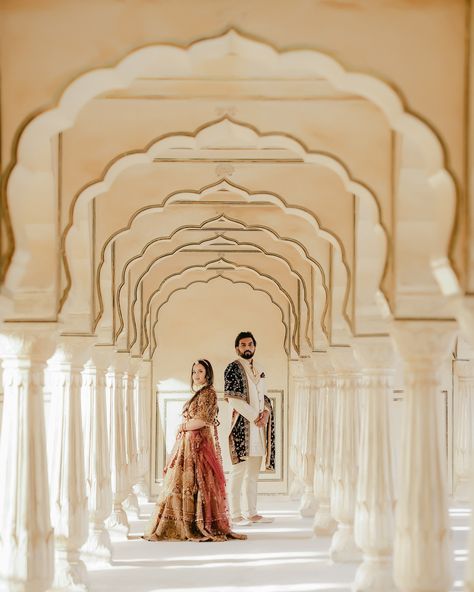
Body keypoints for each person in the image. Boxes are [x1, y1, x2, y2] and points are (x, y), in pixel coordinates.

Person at [143, 359, 246, 542]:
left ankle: (196, 523)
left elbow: (202, 420)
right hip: (190, 443)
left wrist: (182, 427)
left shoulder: (208, 394)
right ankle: (185, 522)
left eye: (199, 371)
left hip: (198, 445)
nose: (196, 375)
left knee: (199, 483)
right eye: (193, 372)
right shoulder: (201, 393)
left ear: (207, 374)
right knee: (187, 484)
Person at [224, 331, 275, 525]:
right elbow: (233, 399)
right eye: (243, 345)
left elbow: (265, 397)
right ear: (237, 348)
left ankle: (252, 512)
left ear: (254, 346)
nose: (247, 348)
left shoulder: (259, 369)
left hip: (259, 429)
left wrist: (266, 413)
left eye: (250, 344)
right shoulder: (233, 368)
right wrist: (256, 417)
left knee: (253, 474)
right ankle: (235, 514)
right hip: (242, 428)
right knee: (238, 472)